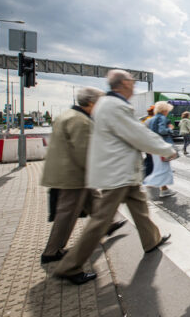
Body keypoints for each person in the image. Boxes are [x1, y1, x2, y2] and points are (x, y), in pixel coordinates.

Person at [54, 70, 176, 285]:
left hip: (123, 171)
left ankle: (151, 240)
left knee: (140, 208)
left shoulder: (108, 105)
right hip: (117, 172)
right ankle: (70, 266)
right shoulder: (114, 106)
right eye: (132, 81)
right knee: (101, 220)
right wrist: (166, 149)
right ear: (123, 84)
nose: (134, 85)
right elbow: (137, 134)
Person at [40, 87, 126, 264]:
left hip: (68, 171)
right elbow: (85, 152)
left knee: (95, 199)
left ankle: (108, 225)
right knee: (67, 213)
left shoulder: (68, 115)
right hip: (72, 175)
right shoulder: (81, 121)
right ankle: (52, 251)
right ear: (91, 102)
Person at [143, 101, 177, 198]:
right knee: (163, 169)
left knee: (160, 168)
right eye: (167, 111)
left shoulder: (152, 119)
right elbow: (162, 130)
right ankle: (149, 183)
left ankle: (163, 189)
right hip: (162, 147)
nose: (168, 112)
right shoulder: (162, 118)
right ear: (165, 110)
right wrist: (170, 129)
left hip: (154, 147)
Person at [142, 105, 156, 176]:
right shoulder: (152, 120)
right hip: (150, 144)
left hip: (146, 143)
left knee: (149, 159)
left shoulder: (145, 118)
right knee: (151, 162)